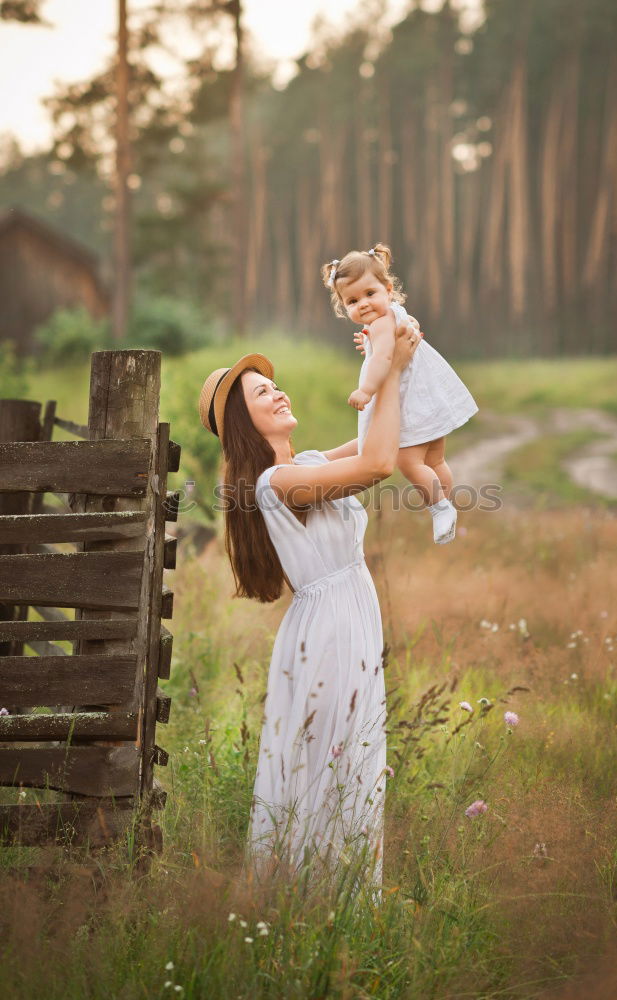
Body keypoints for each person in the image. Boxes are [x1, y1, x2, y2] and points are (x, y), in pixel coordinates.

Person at [197, 321, 420, 889]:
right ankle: (309, 900)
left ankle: (340, 898)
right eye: (260, 392)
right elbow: (376, 466)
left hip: (348, 617)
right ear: (245, 423)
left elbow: (383, 438)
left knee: (352, 758)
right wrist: (387, 371)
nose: (277, 391)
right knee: (330, 760)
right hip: (326, 631)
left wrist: (388, 352)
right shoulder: (276, 483)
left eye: (273, 384)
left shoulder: (310, 462)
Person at [321, 243, 479, 545]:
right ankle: (446, 503)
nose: (363, 304)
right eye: (352, 301)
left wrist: (366, 390)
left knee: (409, 463)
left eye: (369, 294)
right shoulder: (394, 314)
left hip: (410, 407)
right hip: (429, 400)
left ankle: (439, 508)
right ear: (344, 307)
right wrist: (370, 343)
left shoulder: (380, 325)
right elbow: (396, 338)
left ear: (388, 289)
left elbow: (382, 360)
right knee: (435, 461)